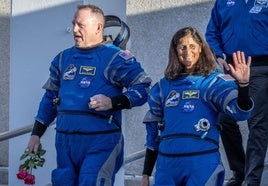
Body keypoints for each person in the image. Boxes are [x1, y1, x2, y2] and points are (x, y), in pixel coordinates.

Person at [26, 4, 152, 186]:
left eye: (81, 25)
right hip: (66, 141)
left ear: (99, 27)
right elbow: (50, 98)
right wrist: (36, 133)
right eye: (73, 24)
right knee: (63, 181)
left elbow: (143, 87)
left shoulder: (115, 57)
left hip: (101, 141)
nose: (75, 30)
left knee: (91, 181)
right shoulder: (62, 59)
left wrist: (113, 102)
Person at [141, 26, 254, 186]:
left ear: (201, 49)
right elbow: (153, 133)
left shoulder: (213, 83)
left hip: (202, 164)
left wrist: (243, 85)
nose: (187, 52)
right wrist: (146, 173)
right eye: (182, 47)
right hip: (167, 167)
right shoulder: (162, 87)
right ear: (175, 51)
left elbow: (240, 113)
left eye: (192, 46)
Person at [205, 0, 268, 185]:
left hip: (261, 68)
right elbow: (212, 32)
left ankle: (252, 180)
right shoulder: (223, 2)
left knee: (257, 124)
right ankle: (239, 172)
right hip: (231, 69)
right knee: (225, 120)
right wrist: (217, 55)